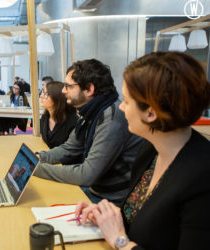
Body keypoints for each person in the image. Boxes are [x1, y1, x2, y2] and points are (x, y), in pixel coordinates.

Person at [74, 52, 210, 250]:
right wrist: (107, 218)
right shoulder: (150, 150)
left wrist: (120, 241)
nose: (121, 108)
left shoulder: (202, 177)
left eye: (127, 101)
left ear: (151, 112)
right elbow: (140, 218)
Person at [34, 59, 142, 205]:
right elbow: (70, 148)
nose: (63, 90)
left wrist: (37, 169)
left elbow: (87, 174)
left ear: (89, 89)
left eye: (68, 86)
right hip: (96, 191)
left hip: (109, 200)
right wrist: (40, 157)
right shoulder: (91, 112)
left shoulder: (111, 117)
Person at [40, 81, 77, 148]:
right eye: (42, 92)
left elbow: (72, 150)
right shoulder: (44, 118)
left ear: (57, 98)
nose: (41, 96)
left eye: (46, 94)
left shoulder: (72, 122)